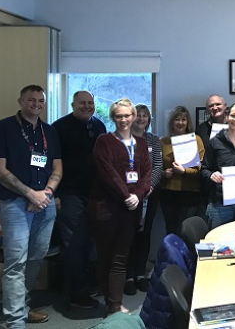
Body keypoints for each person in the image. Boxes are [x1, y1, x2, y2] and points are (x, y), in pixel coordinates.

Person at [0, 85, 62, 327]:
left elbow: (57, 168)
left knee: (36, 258)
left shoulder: (49, 131)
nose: (36, 103)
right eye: (31, 99)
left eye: (41, 100)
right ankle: (15, 321)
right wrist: (31, 194)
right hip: (15, 205)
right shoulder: (2, 128)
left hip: (45, 204)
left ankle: (23, 306)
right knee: (16, 262)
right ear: (20, 101)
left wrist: (45, 194)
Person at [89, 98, 151, 316]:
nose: (124, 119)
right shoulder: (103, 141)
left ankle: (114, 304)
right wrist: (127, 195)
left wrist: (138, 195)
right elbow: (108, 173)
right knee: (106, 257)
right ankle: (110, 303)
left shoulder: (141, 144)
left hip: (131, 210)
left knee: (120, 258)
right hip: (107, 209)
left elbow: (146, 175)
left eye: (127, 115)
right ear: (113, 118)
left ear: (133, 117)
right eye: (119, 116)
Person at [52, 90, 106, 309]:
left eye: (90, 103)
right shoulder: (59, 127)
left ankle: (82, 285)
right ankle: (76, 294)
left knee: (89, 241)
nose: (87, 106)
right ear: (73, 104)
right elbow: (51, 163)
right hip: (69, 193)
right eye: (82, 103)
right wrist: (55, 194)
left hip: (94, 194)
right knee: (74, 242)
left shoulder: (99, 126)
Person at [125, 104, 162, 295]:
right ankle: (128, 275)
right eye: (137, 115)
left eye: (144, 116)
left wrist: (149, 188)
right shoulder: (122, 139)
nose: (140, 118)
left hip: (148, 195)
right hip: (127, 196)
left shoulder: (153, 140)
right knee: (128, 234)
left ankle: (140, 273)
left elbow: (157, 166)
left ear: (148, 120)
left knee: (144, 234)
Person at [159, 106, 205, 236]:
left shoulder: (196, 139)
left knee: (185, 231)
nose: (180, 122)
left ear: (188, 122)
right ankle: (172, 256)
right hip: (168, 193)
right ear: (171, 122)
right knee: (171, 230)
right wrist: (164, 173)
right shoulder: (163, 141)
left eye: (184, 119)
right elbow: (156, 167)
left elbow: (200, 168)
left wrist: (183, 171)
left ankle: (186, 257)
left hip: (190, 192)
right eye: (177, 119)